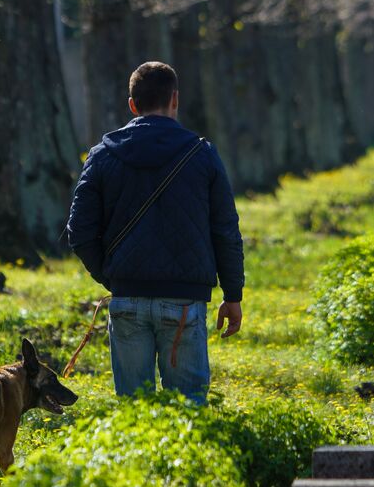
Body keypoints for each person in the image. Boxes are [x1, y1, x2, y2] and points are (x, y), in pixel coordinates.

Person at [66, 61, 245, 405]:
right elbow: (225, 230)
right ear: (175, 99)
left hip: (126, 298)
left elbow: (80, 231)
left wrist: (113, 277)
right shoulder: (202, 154)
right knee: (189, 409)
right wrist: (232, 294)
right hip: (185, 302)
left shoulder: (102, 156)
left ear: (132, 105)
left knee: (134, 411)